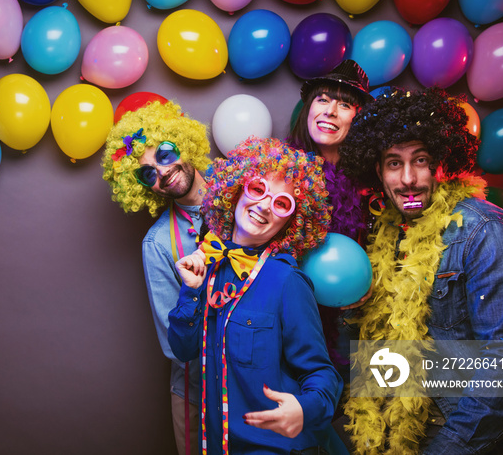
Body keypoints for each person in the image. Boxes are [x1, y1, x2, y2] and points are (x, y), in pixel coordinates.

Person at [339, 86, 503, 454]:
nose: (409, 180)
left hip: (469, 437)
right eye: (394, 163)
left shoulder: (486, 232)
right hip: (407, 433)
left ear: (443, 163)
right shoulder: (386, 237)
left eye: (421, 160)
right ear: (379, 172)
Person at [168, 137, 348, 454]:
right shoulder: (207, 268)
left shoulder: (287, 281)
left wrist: (305, 410)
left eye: (281, 203)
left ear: (291, 221)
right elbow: (184, 351)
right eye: (257, 188)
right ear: (236, 190)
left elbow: (322, 373)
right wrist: (191, 293)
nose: (265, 205)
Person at [101, 100, 211, 455]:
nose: (161, 172)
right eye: (146, 173)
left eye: (164, 154)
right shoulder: (159, 243)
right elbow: (174, 345)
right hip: (201, 392)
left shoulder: (253, 200)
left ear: (185, 142)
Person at [288, 59, 375, 384]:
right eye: (323, 99)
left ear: (358, 118)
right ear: (309, 107)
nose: (330, 111)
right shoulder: (280, 173)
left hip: (358, 327)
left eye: (345, 104)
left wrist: (373, 281)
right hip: (296, 326)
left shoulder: (374, 181)